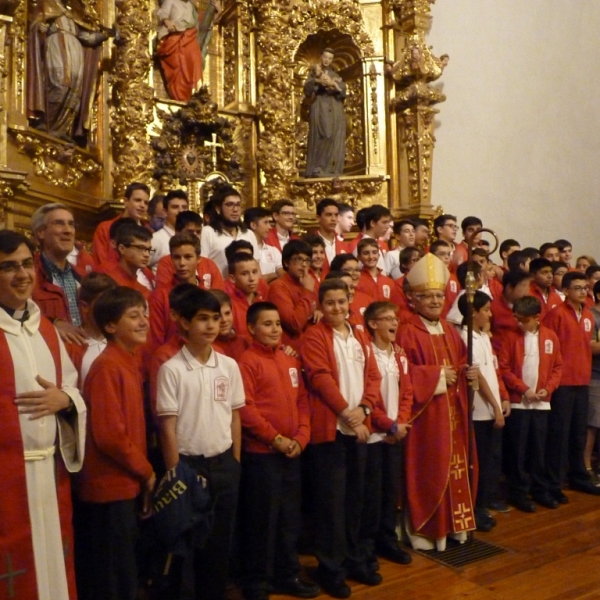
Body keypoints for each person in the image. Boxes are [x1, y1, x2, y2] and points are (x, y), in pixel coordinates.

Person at [0, 230, 85, 600]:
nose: (21, 274)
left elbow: (72, 389)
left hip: (49, 475)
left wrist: (64, 401)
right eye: (7, 267)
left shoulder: (45, 330)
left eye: (24, 264)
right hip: (7, 481)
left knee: (52, 567)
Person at [300, 279, 392, 597]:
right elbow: (320, 377)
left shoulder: (360, 334)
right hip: (332, 433)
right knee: (331, 506)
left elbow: (373, 375)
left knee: (356, 501)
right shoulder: (314, 335)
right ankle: (330, 568)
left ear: (350, 300)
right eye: (330, 303)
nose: (337, 308)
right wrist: (346, 412)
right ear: (321, 306)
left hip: (358, 428)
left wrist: (364, 408)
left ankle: (354, 560)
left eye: (342, 301)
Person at [157, 287, 244, 600]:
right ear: (184, 323)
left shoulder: (229, 366)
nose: (210, 325)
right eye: (202, 319)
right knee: (187, 548)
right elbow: (167, 426)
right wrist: (174, 474)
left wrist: (234, 462)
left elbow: (234, 416)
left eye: (216, 318)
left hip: (223, 464)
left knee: (219, 546)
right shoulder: (172, 370)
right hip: (188, 469)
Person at [74, 286, 155, 600]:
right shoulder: (108, 366)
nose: (144, 321)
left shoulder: (126, 361)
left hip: (123, 481)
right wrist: (146, 470)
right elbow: (110, 436)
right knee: (111, 575)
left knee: (123, 569)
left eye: (144, 314)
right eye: (133, 316)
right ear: (110, 326)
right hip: (108, 485)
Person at [237, 302, 320, 600]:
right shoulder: (247, 362)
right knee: (262, 521)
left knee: (289, 519)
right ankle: (257, 582)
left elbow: (301, 401)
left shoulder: (288, 360)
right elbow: (246, 408)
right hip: (263, 455)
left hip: (292, 451)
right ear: (251, 328)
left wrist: (302, 436)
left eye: (277, 324)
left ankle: (288, 574)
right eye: (267, 324)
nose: (274, 329)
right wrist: (276, 439)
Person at [396, 253, 478, 551]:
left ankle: (454, 528)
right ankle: (426, 531)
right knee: (430, 470)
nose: (434, 301)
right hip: (425, 419)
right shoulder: (407, 331)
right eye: (427, 296)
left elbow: (458, 363)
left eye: (439, 296)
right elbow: (402, 373)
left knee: (455, 467)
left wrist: (466, 373)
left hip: (453, 412)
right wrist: (435, 376)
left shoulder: (450, 329)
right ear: (413, 300)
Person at [499, 296, 563, 512]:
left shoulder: (550, 337)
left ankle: (540, 490)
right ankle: (518, 493)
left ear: (536, 317)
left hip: (541, 404)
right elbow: (505, 368)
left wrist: (548, 388)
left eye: (523, 320)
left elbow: (557, 367)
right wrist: (523, 389)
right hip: (519, 403)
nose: (519, 323)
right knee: (518, 452)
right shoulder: (510, 337)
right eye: (516, 318)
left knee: (539, 450)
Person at [362, 301, 413, 566]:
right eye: (388, 319)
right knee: (372, 495)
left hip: (396, 433)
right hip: (374, 435)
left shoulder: (399, 355)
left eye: (396, 318)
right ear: (372, 324)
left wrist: (400, 423)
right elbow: (368, 398)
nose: (394, 323)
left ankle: (387, 540)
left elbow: (407, 392)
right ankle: (367, 546)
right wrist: (388, 425)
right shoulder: (365, 353)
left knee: (391, 492)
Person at [542, 271, 600, 500]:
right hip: (563, 383)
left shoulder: (588, 315)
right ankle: (553, 483)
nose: (583, 291)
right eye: (577, 288)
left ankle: (578, 476)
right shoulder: (556, 314)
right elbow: (549, 348)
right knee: (559, 434)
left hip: (583, 380)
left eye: (585, 287)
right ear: (565, 291)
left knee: (578, 434)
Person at [457, 292, 509, 529]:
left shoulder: (483, 337)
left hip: (491, 408)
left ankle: (483, 504)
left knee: (490, 461)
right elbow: (477, 376)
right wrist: (495, 407)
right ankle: (475, 508)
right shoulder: (466, 338)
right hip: (479, 411)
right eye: (486, 309)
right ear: (473, 312)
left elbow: (493, 371)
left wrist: (503, 398)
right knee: (478, 463)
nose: (490, 313)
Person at [27, 0, 108, 143]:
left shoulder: (73, 14)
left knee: (74, 89)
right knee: (59, 83)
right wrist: (39, 28)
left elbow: (87, 37)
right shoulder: (47, 6)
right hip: (57, 45)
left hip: (75, 51)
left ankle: (62, 130)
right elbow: (34, 25)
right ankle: (46, 123)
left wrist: (106, 34)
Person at [31, 203, 87, 344]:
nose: (68, 230)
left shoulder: (84, 277)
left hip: (82, 354)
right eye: (59, 223)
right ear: (41, 232)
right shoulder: (28, 275)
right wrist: (52, 323)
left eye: (71, 224)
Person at [66, 273, 118, 388]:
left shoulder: (123, 342)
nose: (112, 310)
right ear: (85, 306)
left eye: (114, 304)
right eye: (105, 304)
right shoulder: (70, 347)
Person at [268, 240, 320, 350]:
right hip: (293, 349)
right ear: (286, 263)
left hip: (313, 345)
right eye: (298, 259)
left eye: (307, 260)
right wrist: (308, 292)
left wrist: (320, 312)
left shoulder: (310, 283)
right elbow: (294, 323)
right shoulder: (279, 287)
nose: (304, 264)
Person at [304, 48, 347, 178]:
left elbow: (343, 91)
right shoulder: (314, 73)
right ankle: (318, 166)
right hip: (320, 106)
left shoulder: (335, 75)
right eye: (325, 57)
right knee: (325, 134)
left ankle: (331, 168)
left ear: (332, 60)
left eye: (330, 58)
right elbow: (307, 89)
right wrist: (317, 81)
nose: (327, 60)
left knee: (334, 136)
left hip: (335, 108)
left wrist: (336, 87)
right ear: (321, 57)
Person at [92, 183, 151, 267]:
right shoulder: (105, 228)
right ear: (126, 201)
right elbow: (100, 261)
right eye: (137, 200)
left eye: (146, 203)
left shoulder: (149, 231)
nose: (142, 205)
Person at [200, 185, 255, 274]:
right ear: (218, 209)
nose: (235, 209)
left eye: (238, 205)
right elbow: (202, 265)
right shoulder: (208, 232)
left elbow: (256, 266)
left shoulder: (249, 234)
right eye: (230, 205)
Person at [156, 0, 203, 102]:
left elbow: (203, 22)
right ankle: (180, 96)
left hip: (190, 36)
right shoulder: (170, 1)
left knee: (195, 62)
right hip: (175, 36)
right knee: (177, 65)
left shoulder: (192, 5)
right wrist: (167, 21)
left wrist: (217, 11)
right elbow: (162, 12)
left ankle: (196, 93)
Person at [96, 223, 155, 299]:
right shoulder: (106, 284)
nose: (146, 254)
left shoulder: (144, 291)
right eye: (140, 248)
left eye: (148, 249)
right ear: (122, 249)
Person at [489, 270, 531, 353]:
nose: (528, 290)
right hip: (500, 355)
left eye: (528, 286)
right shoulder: (492, 308)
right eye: (524, 286)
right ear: (509, 288)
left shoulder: (529, 306)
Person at [149, 190, 189, 270]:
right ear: (165, 211)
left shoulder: (191, 237)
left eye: (184, 207)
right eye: (175, 207)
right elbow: (141, 267)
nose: (181, 211)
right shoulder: (156, 239)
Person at [244, 206, 284, 283]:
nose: (270, 227)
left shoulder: (273, 250)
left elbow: (282, 274)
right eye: (266, 222)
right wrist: (272, 275)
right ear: (253, 225)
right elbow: (253, 280)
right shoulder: (244, 250)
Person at [228, 253, 263, 337]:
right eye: (244, 274)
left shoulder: (262, 303)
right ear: (232, 278)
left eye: (254, 272)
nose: (252, 278)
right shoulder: (229, 305)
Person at [348, 205, 392, 272]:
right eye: (384, 222)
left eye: (388, 223)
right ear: (373, 223)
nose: (387, 227)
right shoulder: (362, 246)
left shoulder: (375, 243)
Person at [586, 280, 600, 485]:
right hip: (594, 375)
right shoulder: (591, 315)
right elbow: (589, 347)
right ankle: (586, 466)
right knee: (592, 424)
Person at [315, 199, 347, 269]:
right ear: (318, 218)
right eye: (329, 215)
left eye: (336, 215)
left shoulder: (344, 245)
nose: (333, 219)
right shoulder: (309, 243)